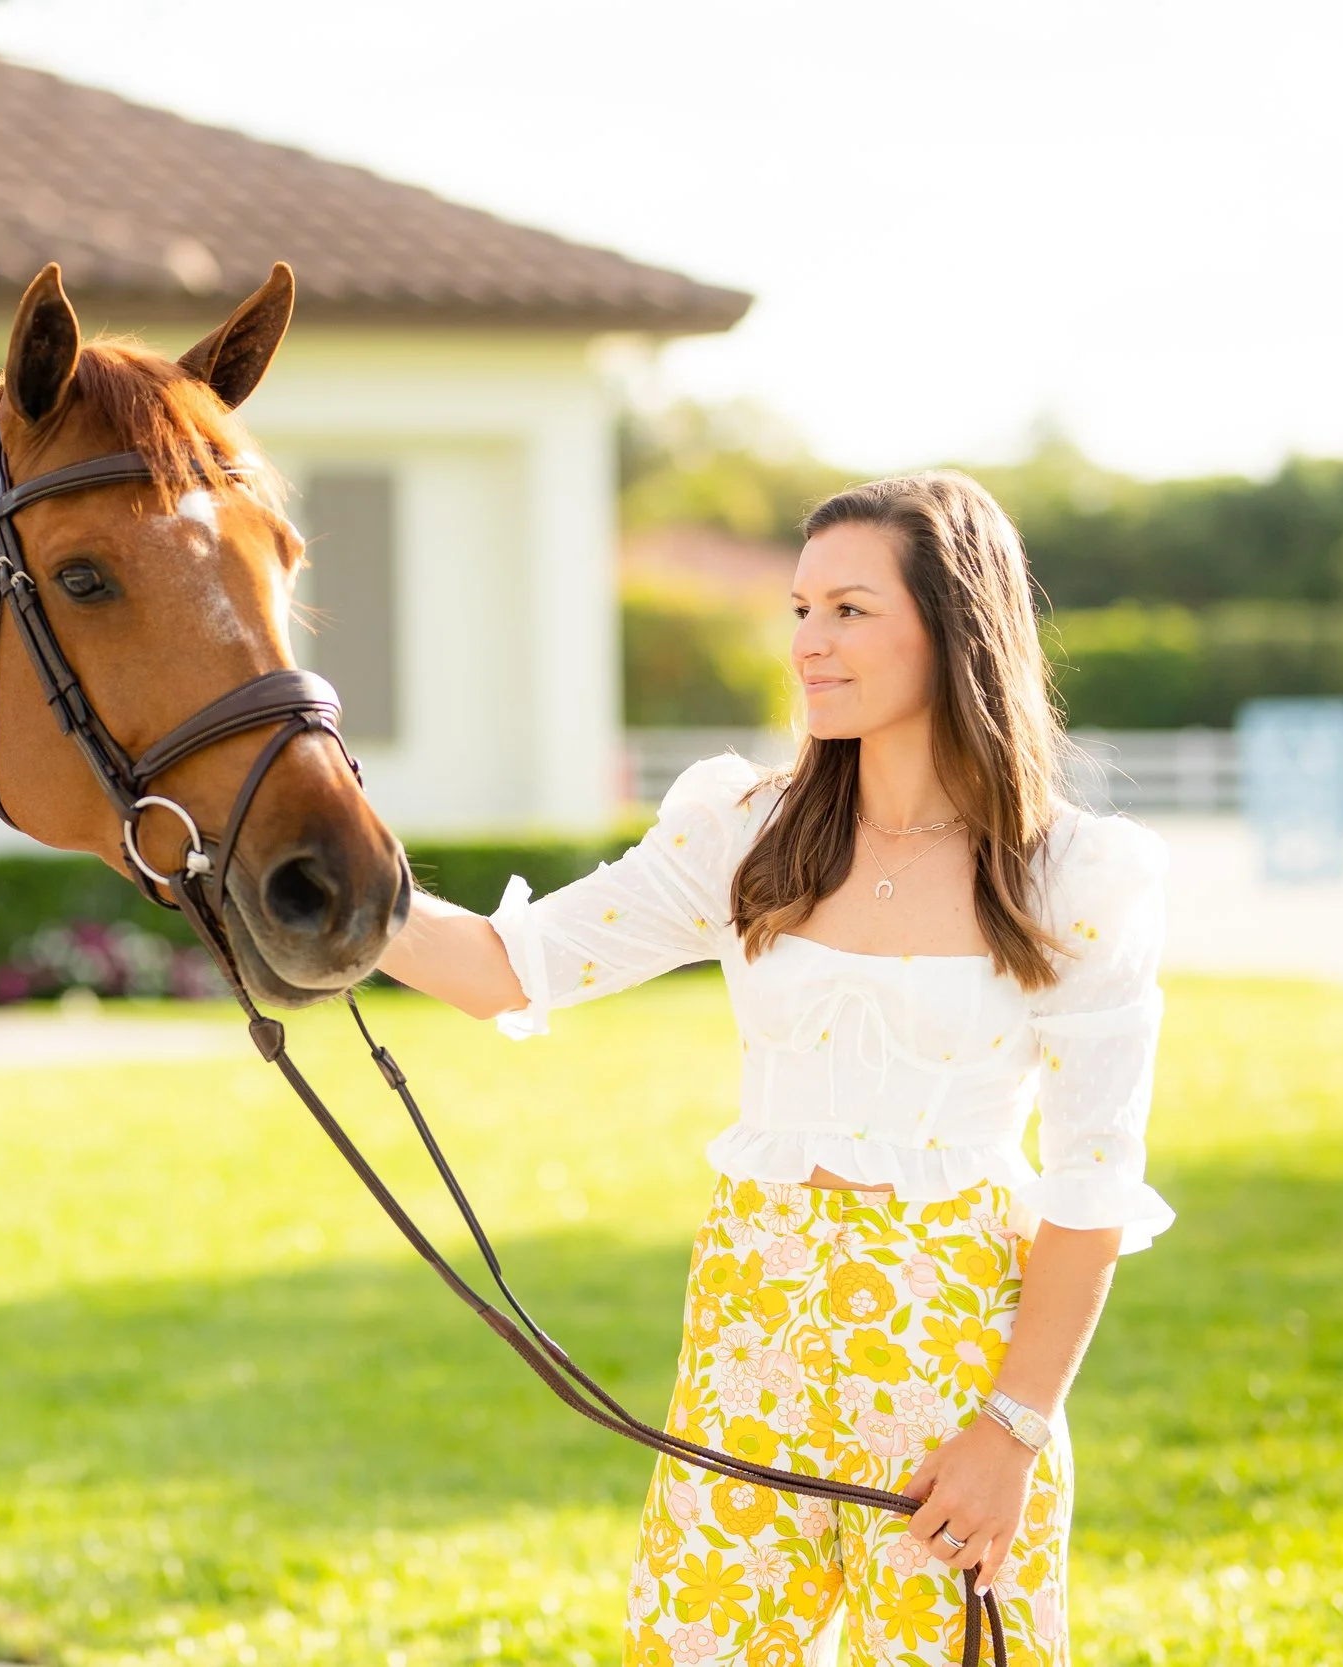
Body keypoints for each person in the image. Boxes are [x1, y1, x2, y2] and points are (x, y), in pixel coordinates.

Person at [377, 472, 1170, 1667]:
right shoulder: (746, 828)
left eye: (848, 609)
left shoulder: (1070, 874)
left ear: (955, 626)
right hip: (746, 1347)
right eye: (800, 609)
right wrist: (301, 888)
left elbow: (1093, 1181)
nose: (808, 642)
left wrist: (1011, 1428)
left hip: (953, 1374)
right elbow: (510, 964)